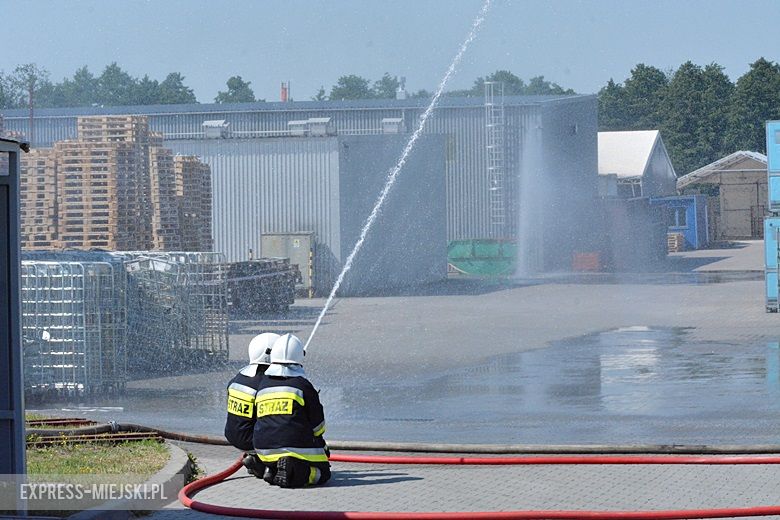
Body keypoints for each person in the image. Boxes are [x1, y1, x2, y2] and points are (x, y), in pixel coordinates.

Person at [253, 333, 330, 487]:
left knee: (279, 458)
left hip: (263, 449)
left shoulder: (263, 385)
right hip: (294, 447)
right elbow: (318, 426)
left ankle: (269, 469)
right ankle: (296, 473)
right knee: (322, 473)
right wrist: (319, 442)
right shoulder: (303, 386)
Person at [224, 332, 279, 477]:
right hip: (254, 440)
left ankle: (256, 459)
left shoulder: (238, 378)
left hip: (234, 436)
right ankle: (269, 465)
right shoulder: (266, 384)